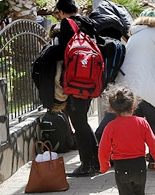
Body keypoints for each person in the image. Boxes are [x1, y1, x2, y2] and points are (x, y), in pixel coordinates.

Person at [96, 11, 155, 169]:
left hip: (130, 85)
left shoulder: (136, 34)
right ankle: (153, 160)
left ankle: (132, 156)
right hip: (147, 86)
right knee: (152, 122)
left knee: (130, 122)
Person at [98, 85, 155, 195]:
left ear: (112, 108)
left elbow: (103, 149)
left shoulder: (110, 126)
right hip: (139, 165)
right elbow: (154, 145)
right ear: (134, 105)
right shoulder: (142, 123)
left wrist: (104, 166)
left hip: (121, 167)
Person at [55, 0, 99, 176]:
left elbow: (62, 52)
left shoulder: (67, 24)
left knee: (79, 122)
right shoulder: (88, 22)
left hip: (74, 81)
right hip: (90, 80)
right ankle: (95, 161)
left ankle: (86, 164)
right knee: (83, 121)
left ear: (61, 11)